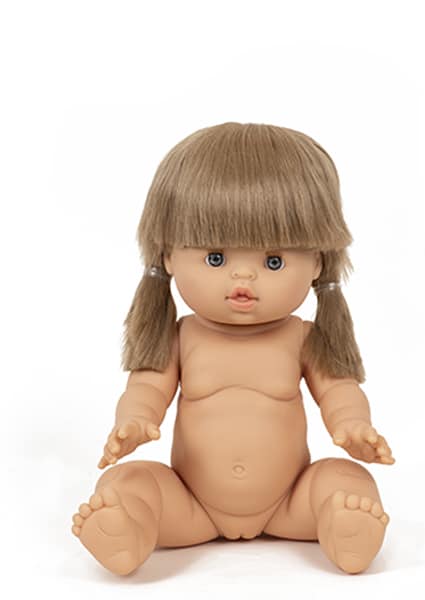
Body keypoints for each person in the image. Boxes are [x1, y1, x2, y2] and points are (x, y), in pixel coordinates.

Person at [71, 122, 394, 576]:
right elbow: (145, 387)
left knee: (347, 479)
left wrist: (353, 425)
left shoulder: (302, 338)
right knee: (127, 480)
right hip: (190, 504)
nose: (243, 278)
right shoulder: (180, 337)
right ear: (168, 256)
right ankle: (130, 529)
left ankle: (342, 528)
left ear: (317, 262)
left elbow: (339, 389)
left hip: (290, 502)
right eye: (216, 258)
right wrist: (135, 421)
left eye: (274, 261)